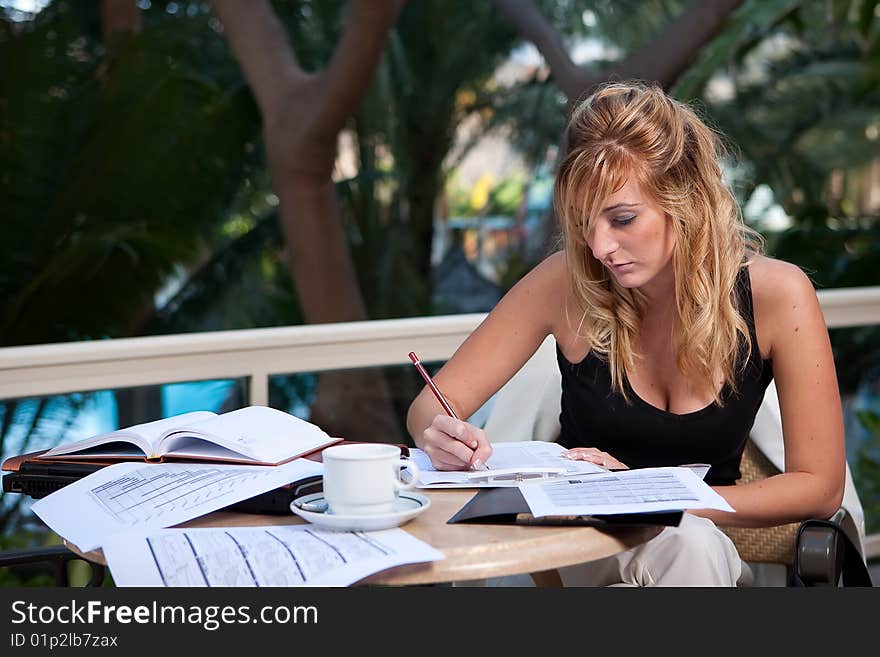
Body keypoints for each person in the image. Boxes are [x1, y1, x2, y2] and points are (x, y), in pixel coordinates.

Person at [406, 81, 845, 586]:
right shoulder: (562, 283)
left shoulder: (778, 297)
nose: (598, 247)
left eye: (623, 219)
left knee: (688, 542)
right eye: (584, 222)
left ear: (686, 200)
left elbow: (820, 487)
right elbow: (430, 406)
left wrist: (651, 496)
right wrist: (438, 434)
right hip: (579, 548)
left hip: (697, 545)